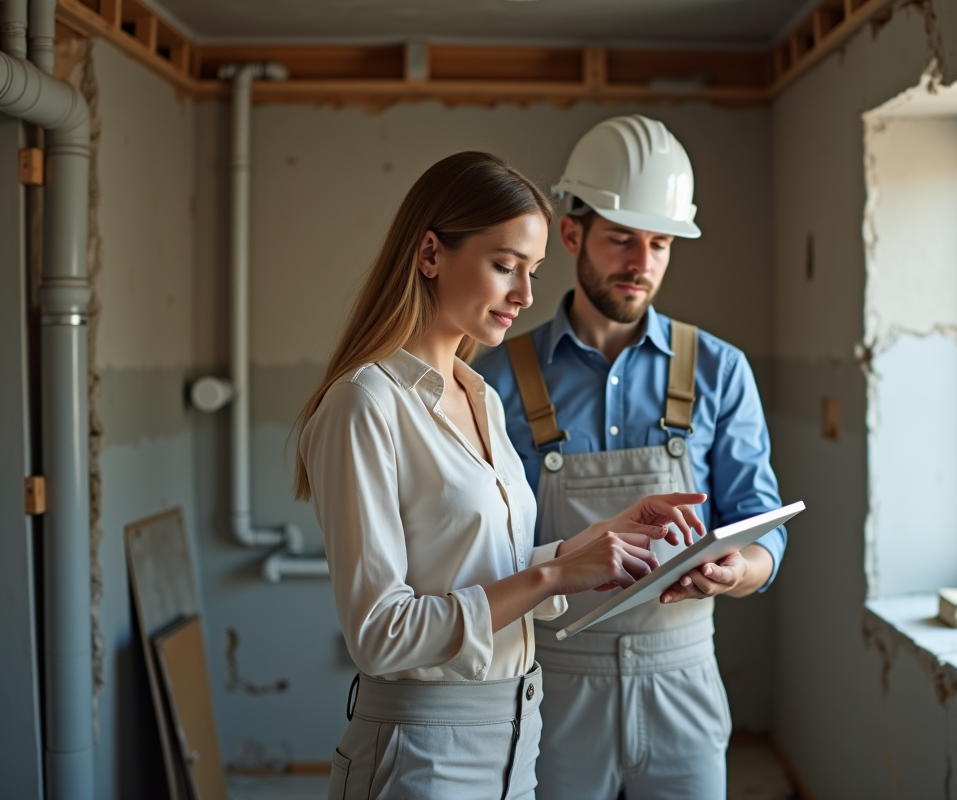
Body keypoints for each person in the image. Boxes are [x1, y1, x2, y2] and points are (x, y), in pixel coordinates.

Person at [294, 151, 706, 800]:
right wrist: (553, 575)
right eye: (505, 266)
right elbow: (380, 634)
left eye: (534, 272)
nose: (526, 296)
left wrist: (585, 546)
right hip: (423, 752)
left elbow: (479, 565)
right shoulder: (365, 403)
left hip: (517, 733)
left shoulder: (480, 394)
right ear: (431, 254)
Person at [476, 115, 787, 800]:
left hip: (683, 681)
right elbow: (483, 553)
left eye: (661, 243)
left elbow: (765, 527)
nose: (641, 264)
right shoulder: (498, 378)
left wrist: (736, 570)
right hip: (552, 681)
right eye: (621, 239)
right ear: (570, 233)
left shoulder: (719, 370)